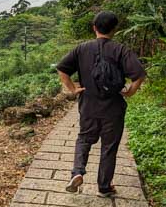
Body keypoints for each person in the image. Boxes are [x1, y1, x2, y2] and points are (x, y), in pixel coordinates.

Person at [56, 11, 146, 196]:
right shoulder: (121, 50)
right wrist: (130, 91)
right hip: (113, 108)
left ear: (94, 28)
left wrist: (73, 89)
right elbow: (139, 74)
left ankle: (78, 172)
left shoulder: (81, 49)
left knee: (84, 139)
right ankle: (104, 187)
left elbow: (62, 69)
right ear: (114, 29)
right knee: (109, 146)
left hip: (88, 105)